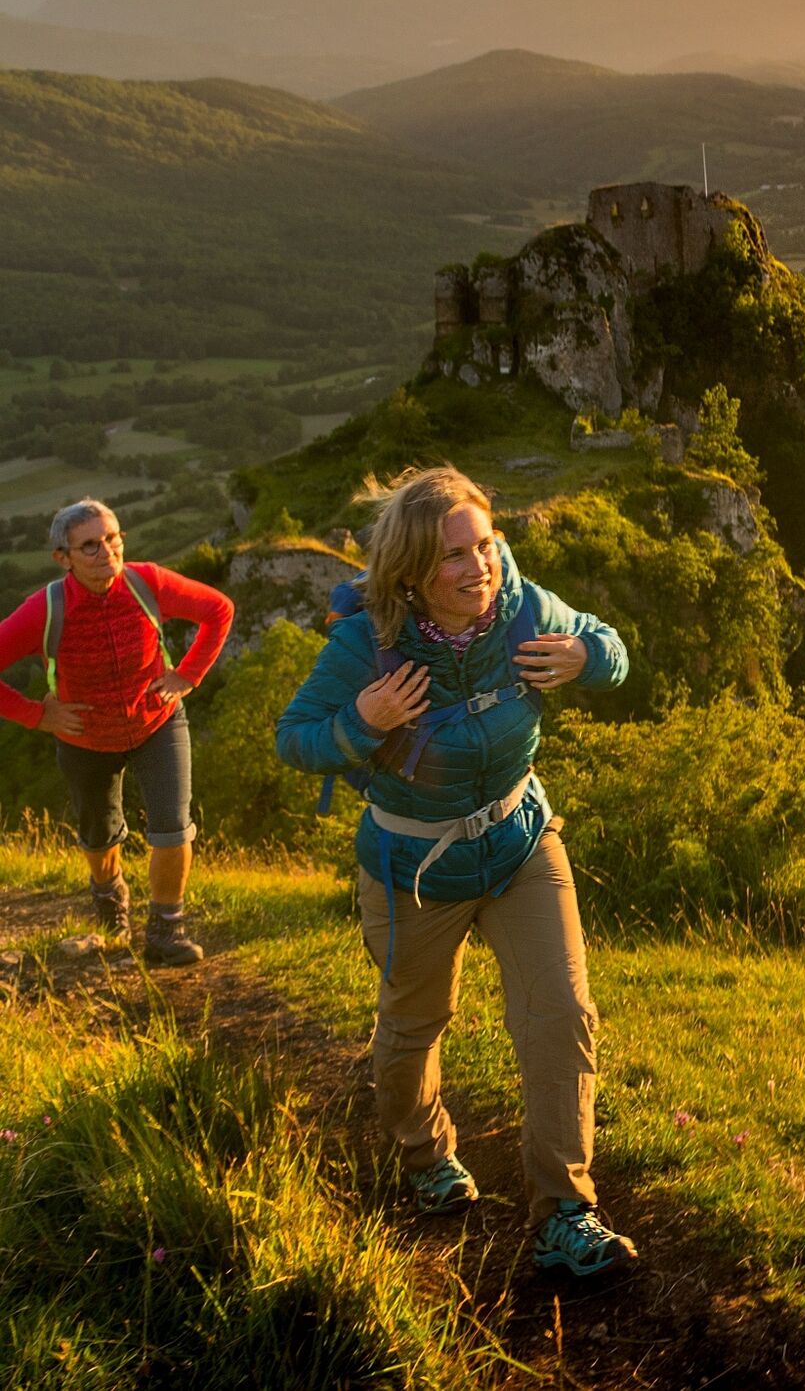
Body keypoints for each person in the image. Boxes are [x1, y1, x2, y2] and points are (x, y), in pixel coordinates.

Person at [275, 465, 638, 1280]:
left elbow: (614, 649)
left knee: (560, 1013)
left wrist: (586, 655)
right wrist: (359, 721)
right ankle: (424, 1151)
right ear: (411, 570)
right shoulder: (364, 645)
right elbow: (294, 738)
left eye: (485, 543)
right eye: (454, 555)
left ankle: (566, 1212)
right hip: (413, 865)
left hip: (519, 842)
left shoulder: (524, 608)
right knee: (415, 1023)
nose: (479, 567)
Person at [0, 498, 234, 964]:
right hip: (85, 739)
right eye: (89, 545)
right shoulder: (45, 609)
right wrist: (36, 715)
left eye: (112, 538)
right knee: (100, 836)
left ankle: (166, 930)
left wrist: (188, 675)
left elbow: (218, 609)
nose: (106, 551)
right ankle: (111, 900)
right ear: (63, 558)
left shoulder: (148, 582)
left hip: (158, 723)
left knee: (173, 827)